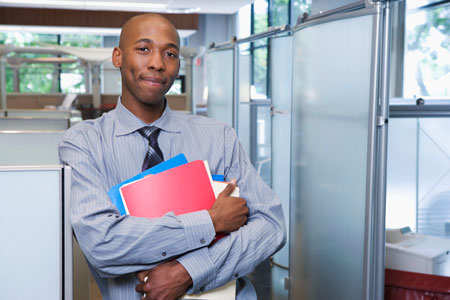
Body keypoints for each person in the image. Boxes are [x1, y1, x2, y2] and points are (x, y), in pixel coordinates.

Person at [59, 13, 286, 300]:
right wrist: (210, 221)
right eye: (143, 49)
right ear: (117, 57)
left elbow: (271, 226)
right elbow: (102, 244)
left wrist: (187, 272)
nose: (157, 63)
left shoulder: (218, 136)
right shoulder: (84, 142)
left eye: (170, 53)